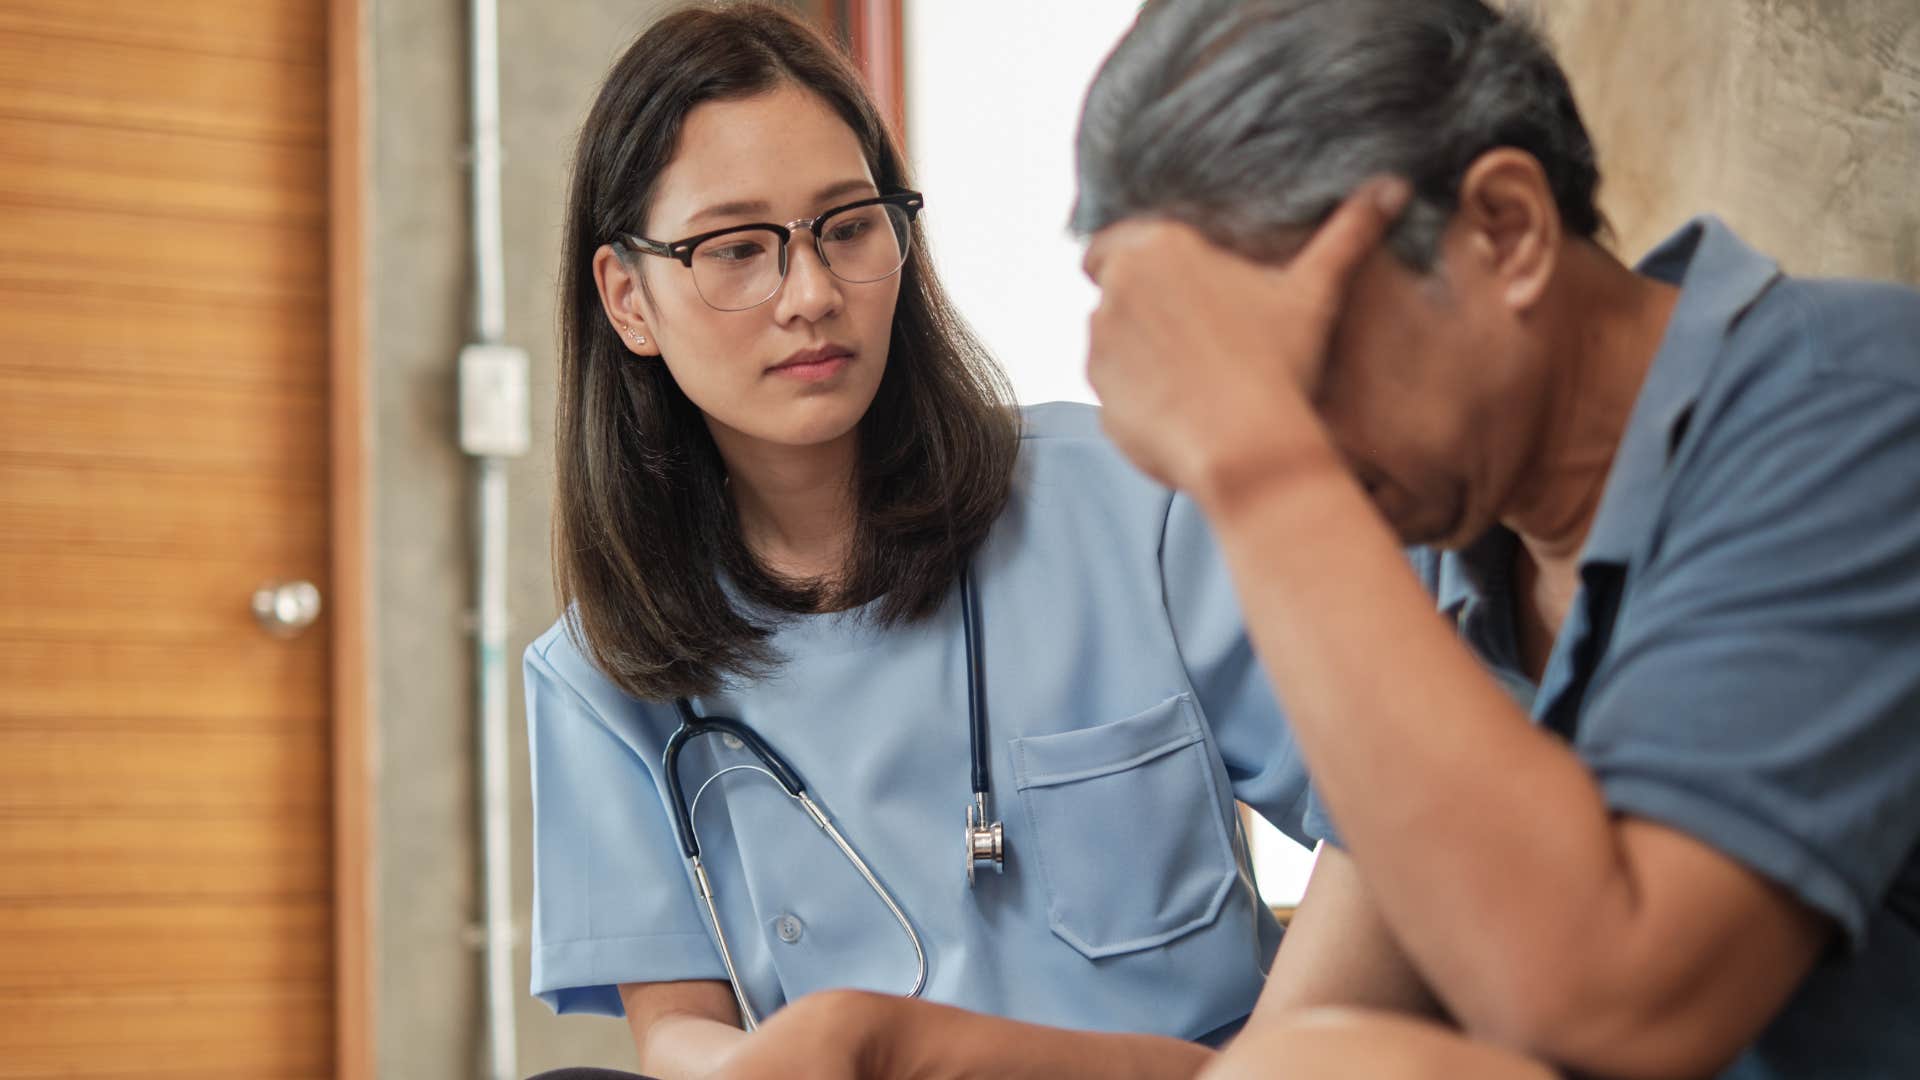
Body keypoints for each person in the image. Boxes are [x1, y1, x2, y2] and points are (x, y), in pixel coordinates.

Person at [1072, 1, 1920, 1078]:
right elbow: (1291, 1049)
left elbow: (1618, 1006)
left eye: (1297, 363)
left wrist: (1258, 460)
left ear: (1506, 228)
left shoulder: (1855, 410)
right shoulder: (1461, 550)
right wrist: (931, 1054)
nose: (1286, 432)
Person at [523, 5, 1315, 1078]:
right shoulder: (600, 670)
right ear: (629, 299)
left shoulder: (1138, 501)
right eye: (737, 250)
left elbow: (1396, 834)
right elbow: (677, 1031)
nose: (809, 296)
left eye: (847, 227)